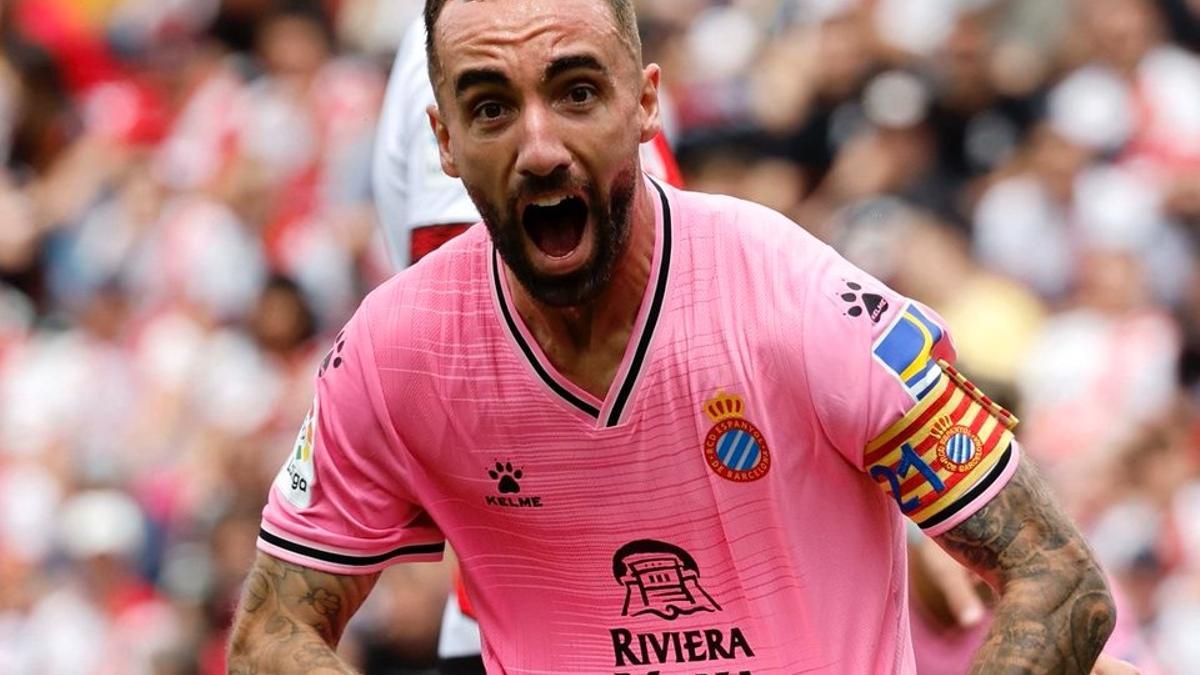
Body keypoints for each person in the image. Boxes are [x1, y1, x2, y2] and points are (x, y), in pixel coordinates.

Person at [228, 0, 1118, 672]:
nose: (538, 146)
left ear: (646, 104)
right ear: (445, 142)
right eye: (491, 108)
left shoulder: (799, 300)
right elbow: (272, 627)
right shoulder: (396, 350)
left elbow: (1061, 576)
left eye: (576, 92)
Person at [371, 15, 684, 673]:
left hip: (659, 610)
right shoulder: (485, 43)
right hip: (558, 621)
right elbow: (485, 330)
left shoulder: (582, 28)